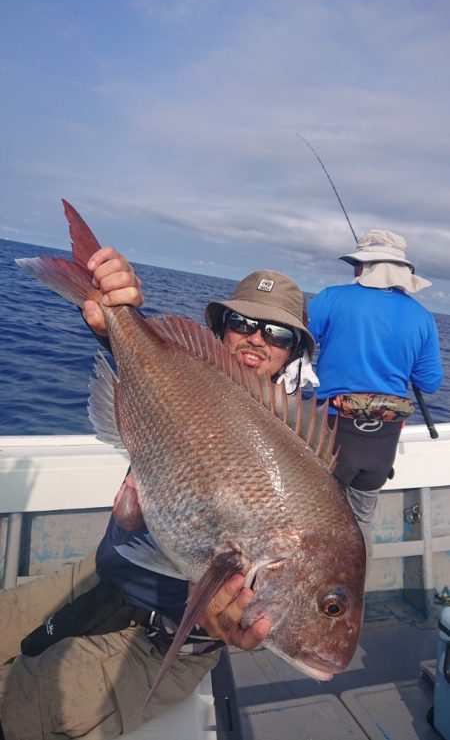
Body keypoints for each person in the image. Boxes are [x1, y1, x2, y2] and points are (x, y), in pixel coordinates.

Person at [0, 249, 316, 740]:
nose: (256, 338)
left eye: (276, 333)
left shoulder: (296, 458)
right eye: (241, 322)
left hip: (156, 642)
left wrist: (217, 612)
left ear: (293, 352)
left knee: (14, 709)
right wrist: (113, 318)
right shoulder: (184, 380)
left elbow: (243, 590)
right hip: (101, 572)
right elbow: (147, 363)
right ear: (220, 331)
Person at [307, 228, 444, 554]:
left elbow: (296, 344)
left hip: (331, 436)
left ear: (361, 266)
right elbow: (430, 383)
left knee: (316, 521)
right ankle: (354, 596)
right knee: (360, 526)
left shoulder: (330, 298)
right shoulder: (423, 319)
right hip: (381, 446)